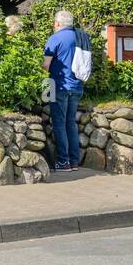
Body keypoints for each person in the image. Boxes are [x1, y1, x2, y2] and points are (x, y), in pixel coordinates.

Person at [43, 9, 85, 173]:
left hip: (58, 85)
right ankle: (74, 162)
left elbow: (46, 65)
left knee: (59, 123)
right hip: (77, 86)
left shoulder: (55, 38)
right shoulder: (82, 36)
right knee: (71, 123)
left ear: (58, 23)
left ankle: (63, 162)